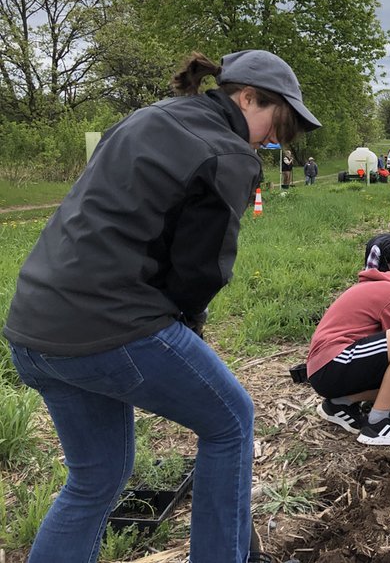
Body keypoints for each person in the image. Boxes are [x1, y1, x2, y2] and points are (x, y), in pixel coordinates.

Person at [3, 49, 321, 563]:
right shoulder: (229, 154)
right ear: (246, 98)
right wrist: (187, 326)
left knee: (96, 476)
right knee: (231, 421)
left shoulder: (149, 116)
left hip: (33, 329)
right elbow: (200, 271)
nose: (273, 140)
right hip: (109, 325)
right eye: (276, 124)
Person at [308, 269, 390, 446]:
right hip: (334, 362)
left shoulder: (374, 287)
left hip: (329, 370)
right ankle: (378, 423)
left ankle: (340, 403)